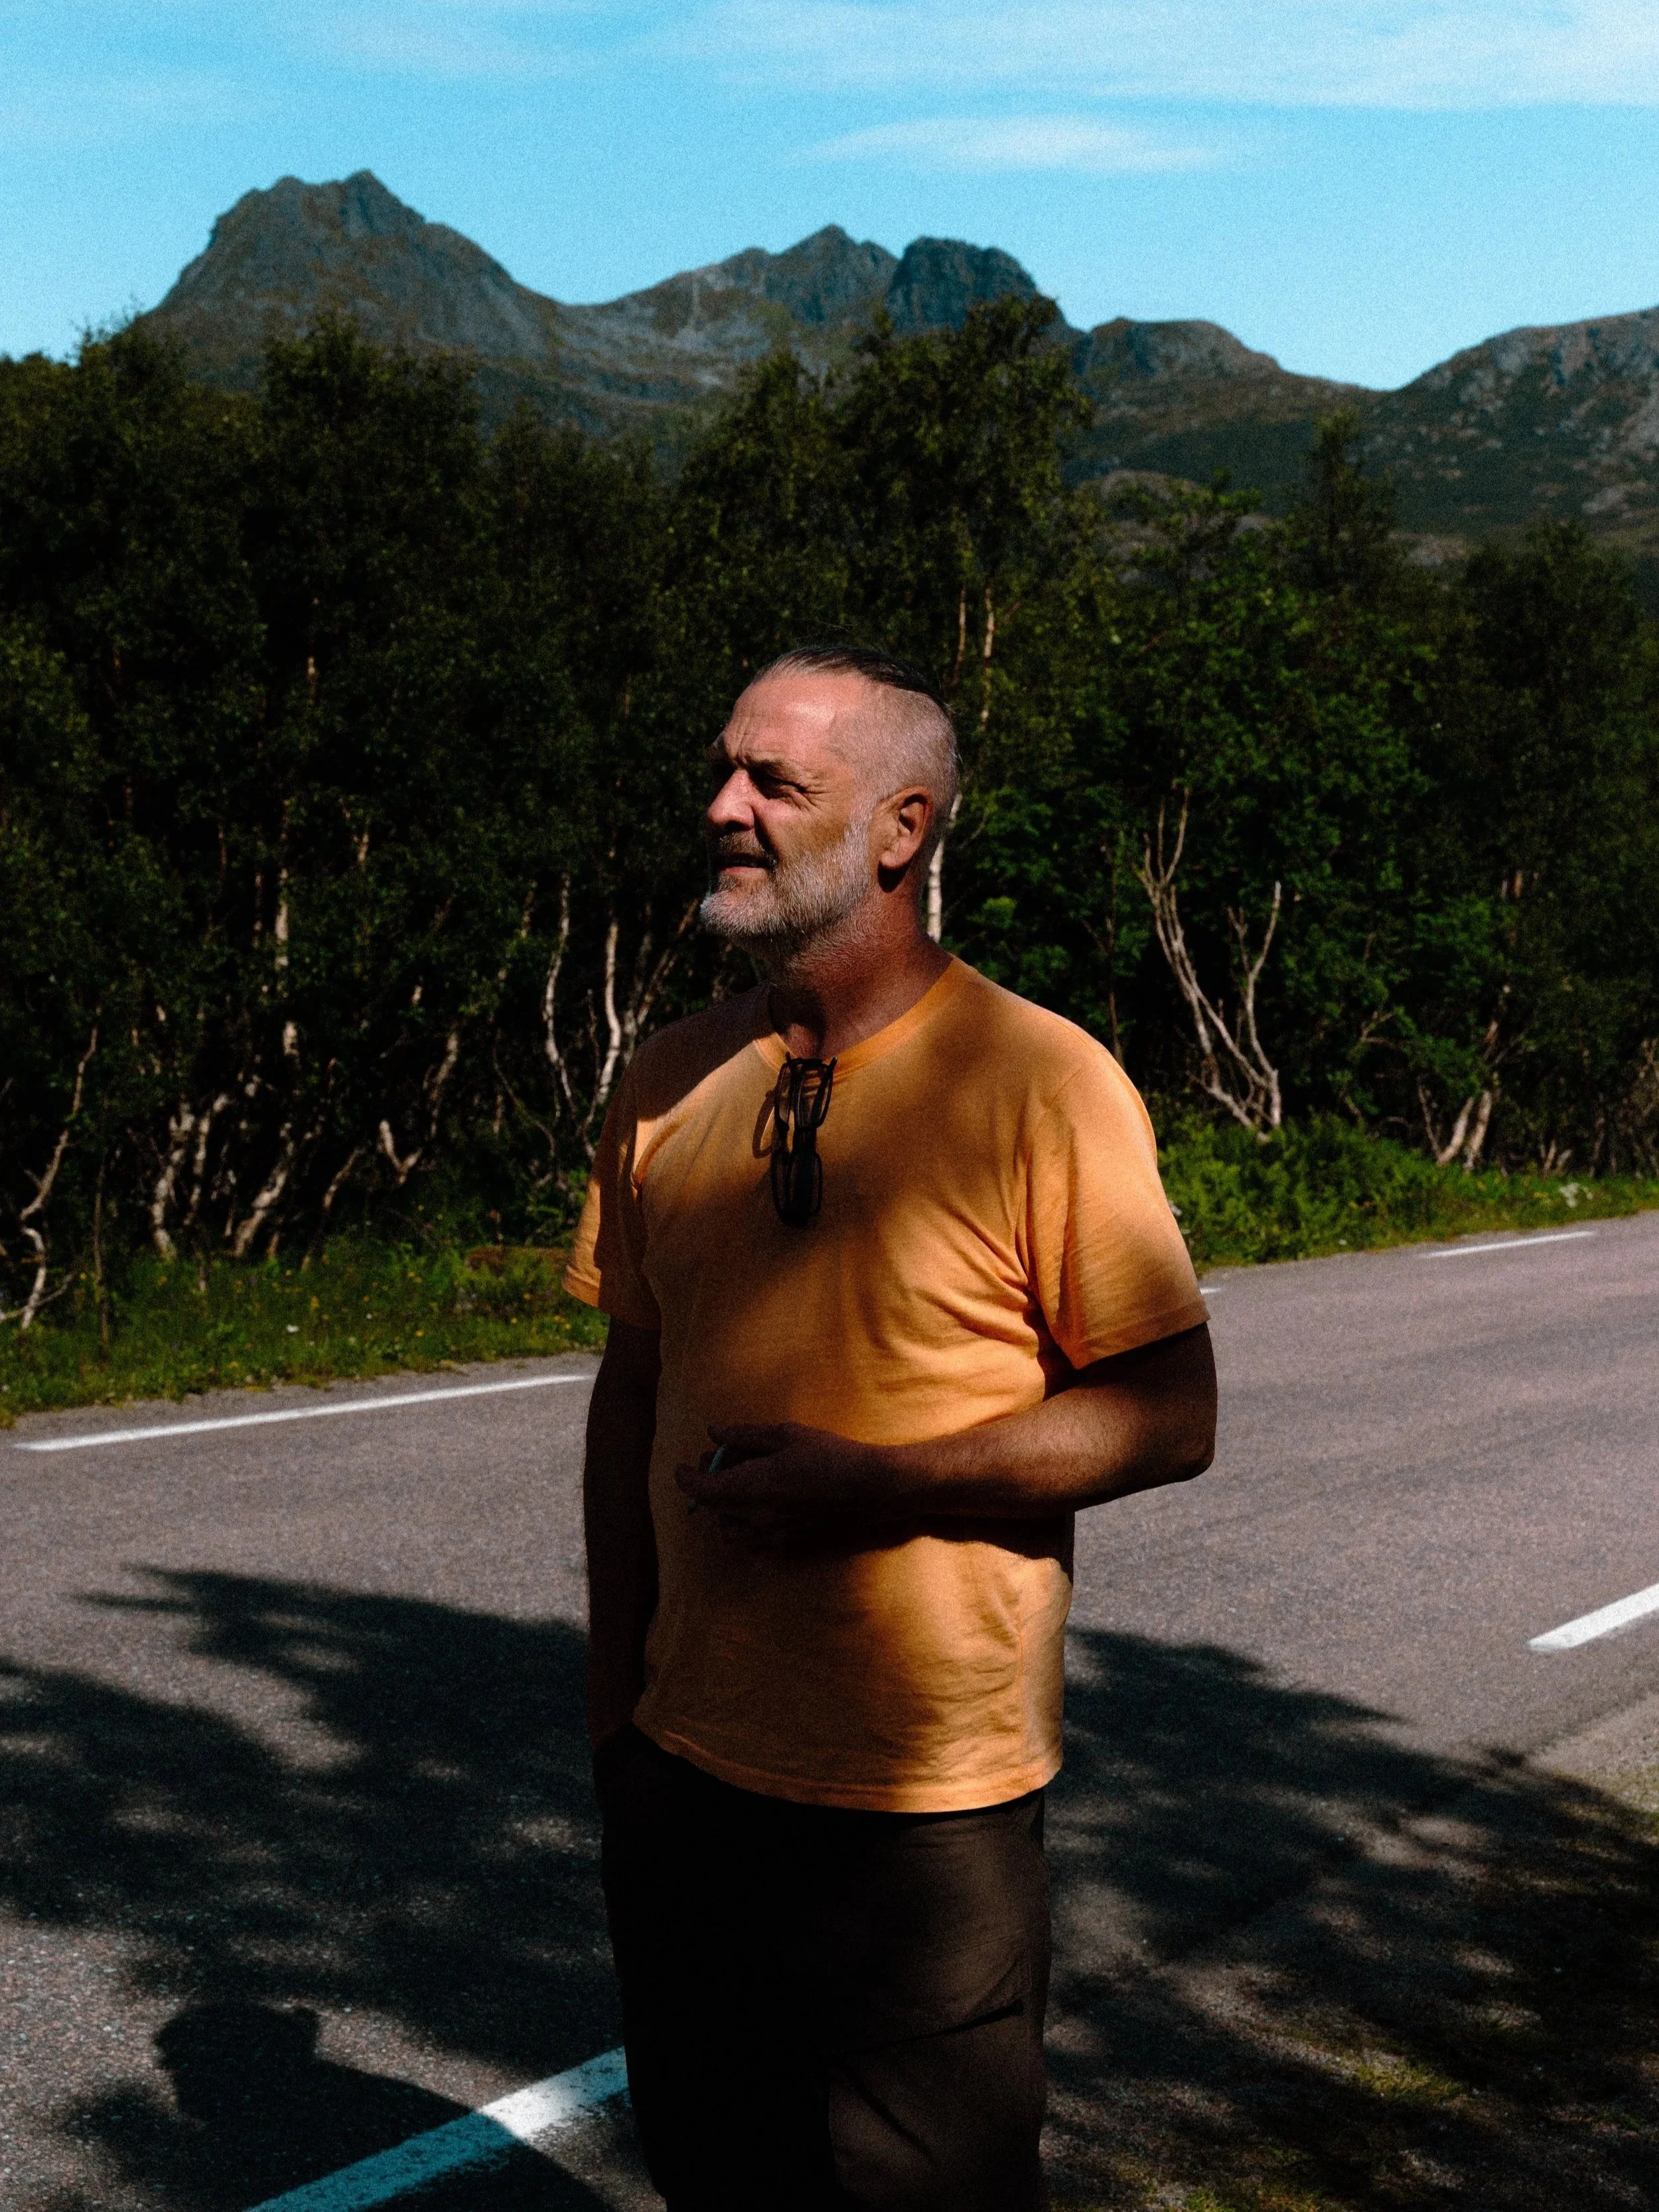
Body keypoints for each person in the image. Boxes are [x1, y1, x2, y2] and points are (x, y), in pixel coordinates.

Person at [564, 644, 1217, 2211]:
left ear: (899, 828)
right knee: (717, 2174)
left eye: (772, 782)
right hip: (685, 1761)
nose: (723, 807)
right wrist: (614, 1702)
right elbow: (631, 1391)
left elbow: (1168, 1412)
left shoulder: (1037, 1082)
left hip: (922, 1799)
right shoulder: (665, 1079)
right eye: (723, 770)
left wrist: (884, 1486)